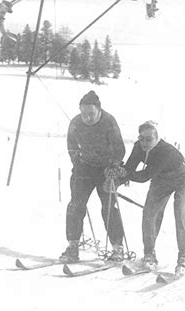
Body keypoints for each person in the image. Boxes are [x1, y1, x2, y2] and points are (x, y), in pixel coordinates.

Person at [121, 121, 185, 276]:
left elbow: (144, 176)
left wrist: (124, 174)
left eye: (149, 139)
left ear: (157, 138)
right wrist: (116, 178)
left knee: (180, 210)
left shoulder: (166, 151)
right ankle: (149, 255)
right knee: (150, 212)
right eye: (141, 138)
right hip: (161, 179)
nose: (144, 142)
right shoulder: (138, 147)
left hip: (184, 177)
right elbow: (129, 169)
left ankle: (184, 258)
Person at [60, 90, 126, 264]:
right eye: (83, 113)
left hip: (106, 169)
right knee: (76, 205)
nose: (87, 117)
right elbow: (72, 146)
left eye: (91, 114)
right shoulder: (75, 123)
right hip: (85, 168)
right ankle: (73, 245)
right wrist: (77, 162)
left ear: (99, 110)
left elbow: (119, 148)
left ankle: (117, 248)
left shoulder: (108, 121)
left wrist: (113, 168)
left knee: (109, 207)